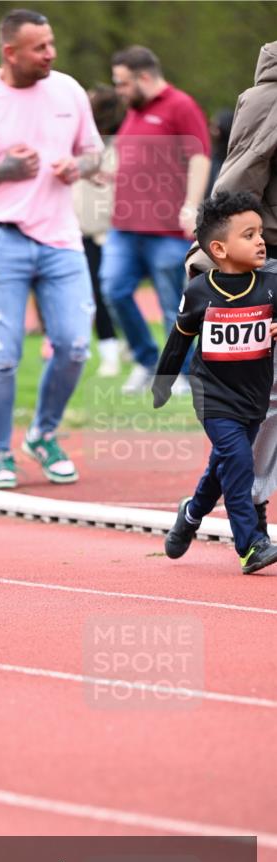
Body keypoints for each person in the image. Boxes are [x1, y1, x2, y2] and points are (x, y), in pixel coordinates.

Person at [0, 8, 102, 489]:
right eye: (40, 47)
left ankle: (44, 435)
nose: (51, 53)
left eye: (51, 44)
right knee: (3, 355)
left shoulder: (68, 90)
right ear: (10, 52)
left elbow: (93, 153)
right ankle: (1, 453)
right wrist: (2, 170)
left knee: (73, 345)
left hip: (60, 238)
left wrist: (80, 166)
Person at [153, 191, 277, 574]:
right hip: (213, 396)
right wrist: (163, 383)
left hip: (254, 394)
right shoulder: (200, 292)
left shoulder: (271, 285)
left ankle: (190, 514)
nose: (260, 241)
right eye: (249, 235)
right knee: (238, 460)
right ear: (219, 249)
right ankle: (250, 544)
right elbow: (179, 339)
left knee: (222, 465)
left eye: (261, 233)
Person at [186, 42, 277, 534]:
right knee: (265, 404)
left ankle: (201, 504)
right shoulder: (268, 99)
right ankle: (252, 503)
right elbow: (239, 182)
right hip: (272, 261)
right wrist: (211, 253)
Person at [101, 45, 210, 395]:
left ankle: (177, 371)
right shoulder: (133, 111)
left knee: (171, 303)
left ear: (144, 77)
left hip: (166, 229)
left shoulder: (181, 105)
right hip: (124, 226)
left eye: (122, 83)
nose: (118, 91)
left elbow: (200, 158)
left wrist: (192, 206)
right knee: (113, 289)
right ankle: (148, 360)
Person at [72, 84, 125, 377]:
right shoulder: (79, 144)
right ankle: (109, 350)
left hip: (116, 231)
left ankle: (129, 344)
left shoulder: (123, 144)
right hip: (84, 230)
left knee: (117, 291)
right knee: (94, 291)